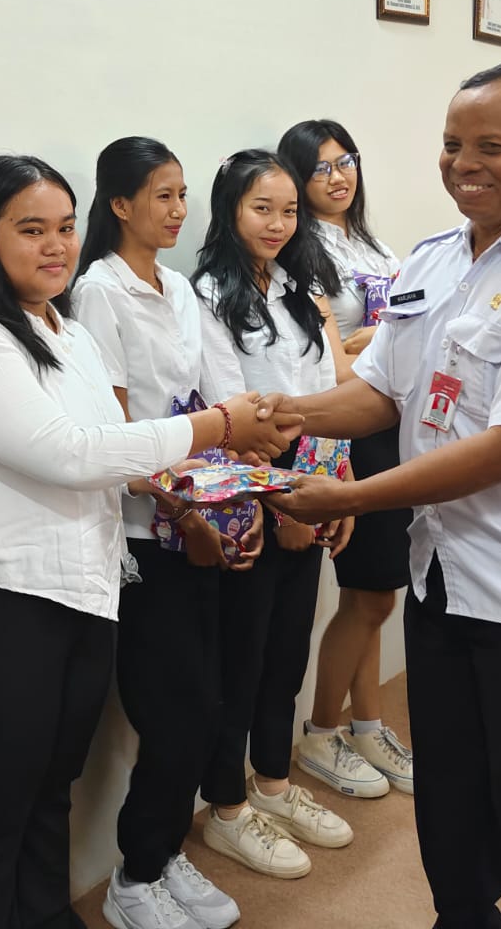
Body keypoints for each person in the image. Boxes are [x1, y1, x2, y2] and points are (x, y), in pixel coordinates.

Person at [261, 62, 501, 929]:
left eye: (491, 146)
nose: (463, 164)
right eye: (451, 144)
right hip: (445, 579)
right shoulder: (432, 260)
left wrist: (350, 498)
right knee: (453, 802)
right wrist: (283, 413)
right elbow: (382, 393)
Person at [0, 154, 300, 929]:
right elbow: (73, 454)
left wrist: (215, 483)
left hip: (82, 593)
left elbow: (117, 447)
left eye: (63, 227)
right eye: (31, 230)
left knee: (52, 795)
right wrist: (218, 426)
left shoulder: (66, 332)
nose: (56, 245)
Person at [74, 138, 256, 929]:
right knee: (173, 712)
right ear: (119, 205)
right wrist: (182, 509)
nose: (180, 210)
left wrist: (238, 483)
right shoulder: (98, 293)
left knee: (207, 705)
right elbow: (115, 433)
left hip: (200, 519)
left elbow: (214, 402)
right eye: (162, 195)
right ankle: (134, 877)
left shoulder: (178, 287)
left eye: (183, 194)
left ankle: (165, 851)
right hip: (147, 534)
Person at [191, 149, 356, 881]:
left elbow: (326, 395)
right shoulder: (206, 295)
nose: (278, 224)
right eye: (262, 208)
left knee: (288, 655)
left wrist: (339, 484)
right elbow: (235, 414)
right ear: (229, 209)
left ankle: (275, 786)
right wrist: (284, 502)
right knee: (243, 662)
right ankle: (228, 811)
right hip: (252, 510)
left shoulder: (298, 288)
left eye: (289, 210)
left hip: (312, 491)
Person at [277, 120, 413, 800]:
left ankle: (367, 725)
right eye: (321, 168)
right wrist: (381, 343)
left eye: (347, 161)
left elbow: (403, 336)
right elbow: (334, 366)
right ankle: (322, 732)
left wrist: (376, 342)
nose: (338, 177)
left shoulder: (374, 243)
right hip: (348, 429)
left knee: (375, 594)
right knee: (369, 591)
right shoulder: (303, 252)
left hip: (391, 422)